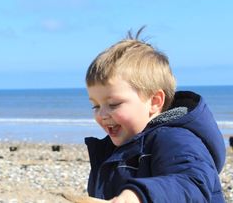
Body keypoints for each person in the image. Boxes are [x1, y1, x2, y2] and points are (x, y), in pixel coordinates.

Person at [84, 27, 226, 202]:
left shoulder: (175, 138)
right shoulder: (112, 152)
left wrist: (139, 195)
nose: (102, 114)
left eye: (114, 104)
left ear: (154, 101)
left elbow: (191, 183)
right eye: (95, 106)